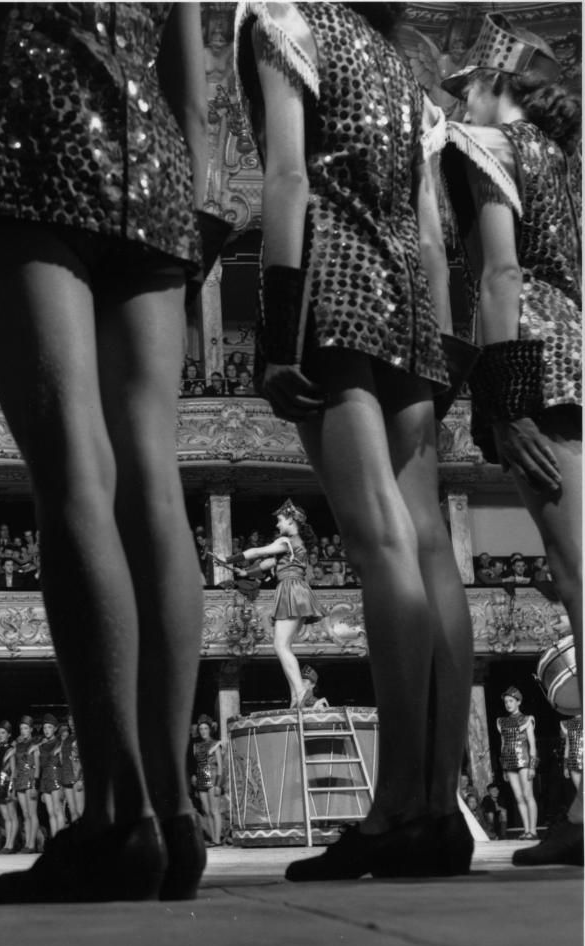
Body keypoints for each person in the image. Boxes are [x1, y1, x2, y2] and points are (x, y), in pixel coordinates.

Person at [0, 1, 223, 902]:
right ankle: (171, 812)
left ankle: (117, 811)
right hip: (158, 169)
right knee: (153, 482)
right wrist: (193, 208)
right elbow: (192, 87)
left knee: (74, 475)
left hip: (31, 145)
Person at [235, 1, 474, 881]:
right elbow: (428, 225)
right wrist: (445, 352)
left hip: (330, 293)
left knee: (379, 548)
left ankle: (394, 810)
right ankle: (440, 809)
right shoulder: (404, 69)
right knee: (429, 549)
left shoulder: (285, 22)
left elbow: (290, 179)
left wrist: (274, 330)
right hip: (412, 303)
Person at [440, 12, 581, 867]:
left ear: (500, 88)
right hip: (581, 346)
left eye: (473, 89)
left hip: (536, 359)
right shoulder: (570, 162)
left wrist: (504, 402)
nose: (466, 103)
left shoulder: (495, 150)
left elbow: (498, 273)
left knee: (577, 577)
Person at [223, 500, 325, 708]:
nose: (277, 525)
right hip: (297, 590)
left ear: (290, 520)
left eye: (279, 521)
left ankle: (302, 694)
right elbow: (269, 563)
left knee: (280, 645)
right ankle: (297, 697)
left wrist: (229, 559)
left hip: (291, 590)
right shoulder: (296, 544)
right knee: (284, 646)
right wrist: (246, 573)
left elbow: (259, 552)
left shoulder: (286, 541)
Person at [497, 687, 539, 841]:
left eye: (511, 701)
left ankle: (533, 831)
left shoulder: (527, 719)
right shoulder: (501, 721)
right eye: (506, 701)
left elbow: (532, 745)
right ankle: (526, 830)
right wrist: (503, 768)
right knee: (519, 797)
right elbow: (502, 746)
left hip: (524, 761)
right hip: (509, 762)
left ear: (518, 702)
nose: (508, 704)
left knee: (528, 796)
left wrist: (533, 766)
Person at [191, 716, 223, 847]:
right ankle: (212, 838)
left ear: (210, 730)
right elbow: (198, 764)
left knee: (214, 810)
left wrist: (218, 785)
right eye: (201, 729)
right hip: (202, 776)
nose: (203, 731)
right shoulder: (196, 746)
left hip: (213, 775)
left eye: (205, 728)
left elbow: (221, 767)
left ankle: (217, 840)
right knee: (206, 810)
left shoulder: (216, 744)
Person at [12, 716, 41, 854]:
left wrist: (35, 784)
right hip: (20, 780)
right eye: (21, 729)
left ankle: (32, 843)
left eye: (25, 728)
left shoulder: (36, 742)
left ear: (30, 729)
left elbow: (37, 766)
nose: (23, 731)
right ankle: (27, 843)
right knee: (25, 814)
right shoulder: (18, 744)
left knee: (32, 813)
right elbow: (16, 765)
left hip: (31, 779)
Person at [0, 723, 19, 853]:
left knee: (12, 815)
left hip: (7, 786)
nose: (0, 735)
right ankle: (7, 844)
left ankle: (11, 844)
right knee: (6, 817)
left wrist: (11, 789)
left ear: (9, 735)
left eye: (3, 733)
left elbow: (13, 771)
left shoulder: (11, 749)